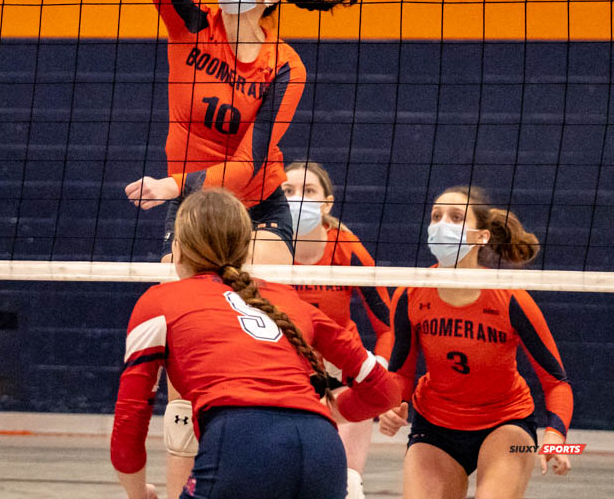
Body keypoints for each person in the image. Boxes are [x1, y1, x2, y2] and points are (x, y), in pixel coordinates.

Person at [121, 0, 362, 496]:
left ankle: (316, 460)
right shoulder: (192, 24)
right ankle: (192, 481)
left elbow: (252, 163)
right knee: (186, 348)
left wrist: (171, 186)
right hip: (199, 212)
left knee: (269, 325)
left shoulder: (285, 64)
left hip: (256, 202)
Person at [111, 188, 401, 499]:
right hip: (322, 450)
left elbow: (130, 419)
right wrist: (327, 411)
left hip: (240, 446)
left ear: (178, 248)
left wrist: (137, 493)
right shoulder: (290, 302)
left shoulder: (158, 301)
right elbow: (385, 392)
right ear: (245, 249)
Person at [378, 186, 574, 499]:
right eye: (436, 216)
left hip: (505, 422)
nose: (442, 224)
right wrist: (391, 405)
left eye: (456, 218)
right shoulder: (410, 294)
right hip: (435, 425)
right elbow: (400, 371)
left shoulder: (511, 300)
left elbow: (557, 382)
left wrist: (556, 435)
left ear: (481, 237)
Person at [283, 160, 392, 499]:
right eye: (287, 191)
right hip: (285, 368)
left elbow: (387, 328)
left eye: (308, 191)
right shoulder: (263, 247)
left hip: (339, 367)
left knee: (344, 481)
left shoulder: (348, 248)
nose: (297, 199)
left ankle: (351, 479)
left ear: (327, 203)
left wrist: (382, 376)